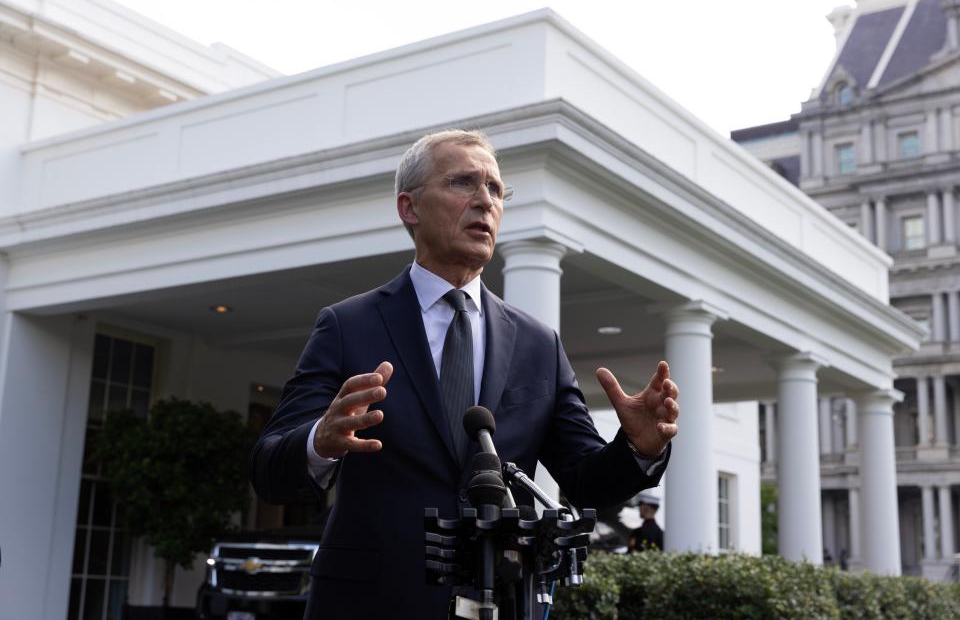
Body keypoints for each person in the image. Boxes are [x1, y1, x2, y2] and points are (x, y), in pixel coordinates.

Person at [249, 129, 680, 619]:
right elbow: (269, 470)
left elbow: (586, 482)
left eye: (496, 190)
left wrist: (638, 448)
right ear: (409, 208)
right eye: (463, 183)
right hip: (370, 601)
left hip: (502, 601)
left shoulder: (539, 344)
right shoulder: (348, 326)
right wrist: (319, 442)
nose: (485, 201)